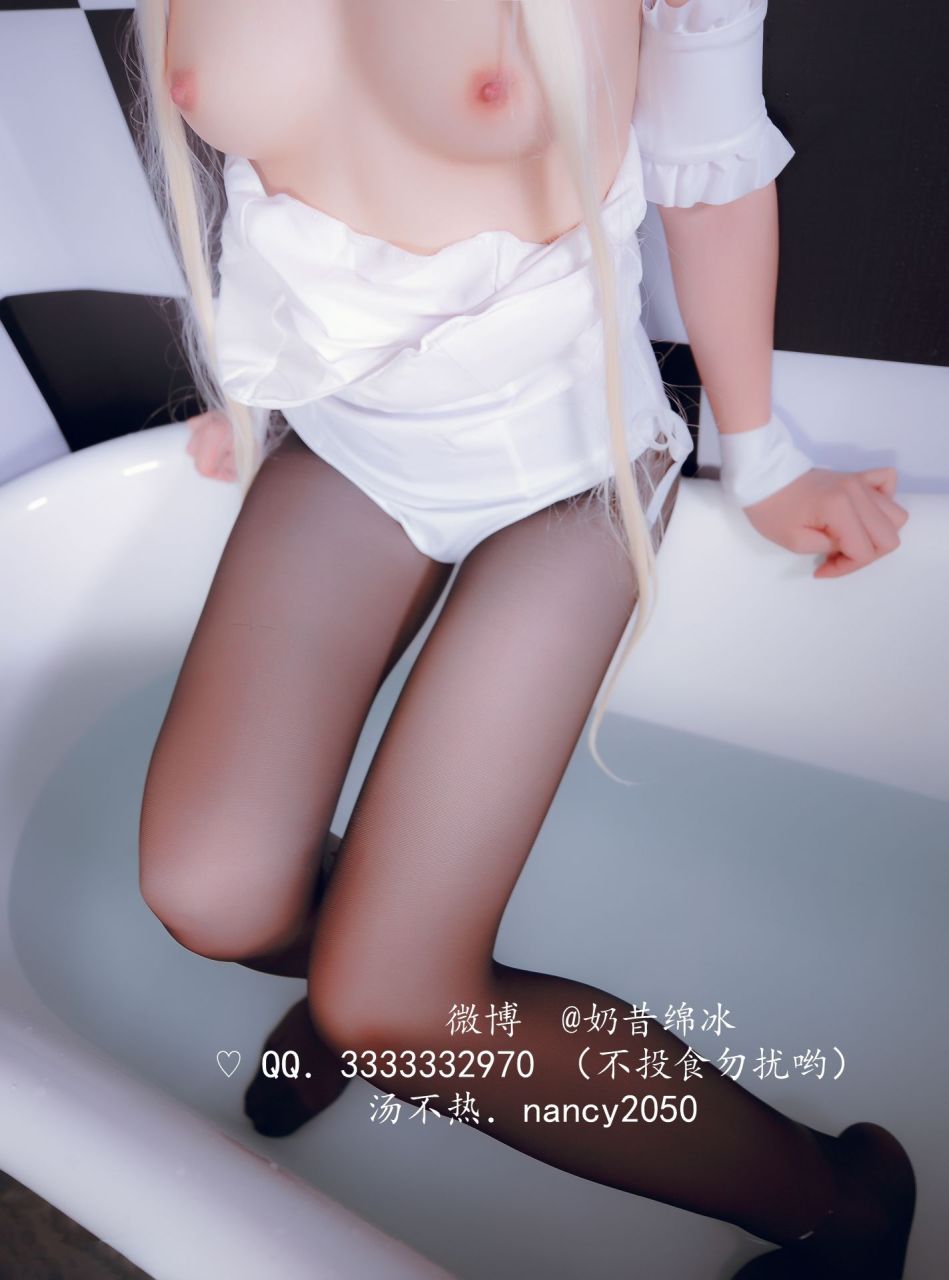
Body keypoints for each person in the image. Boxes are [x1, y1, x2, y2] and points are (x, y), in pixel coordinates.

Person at [132, 2, 914, 1275]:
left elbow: (707, 173)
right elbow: (282, 167)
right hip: (348, 443)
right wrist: (254, 381)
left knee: (397, 1006)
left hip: (569, 465)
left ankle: (843, 1199)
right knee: (208, 892)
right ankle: (363, 954)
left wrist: (762, 456)